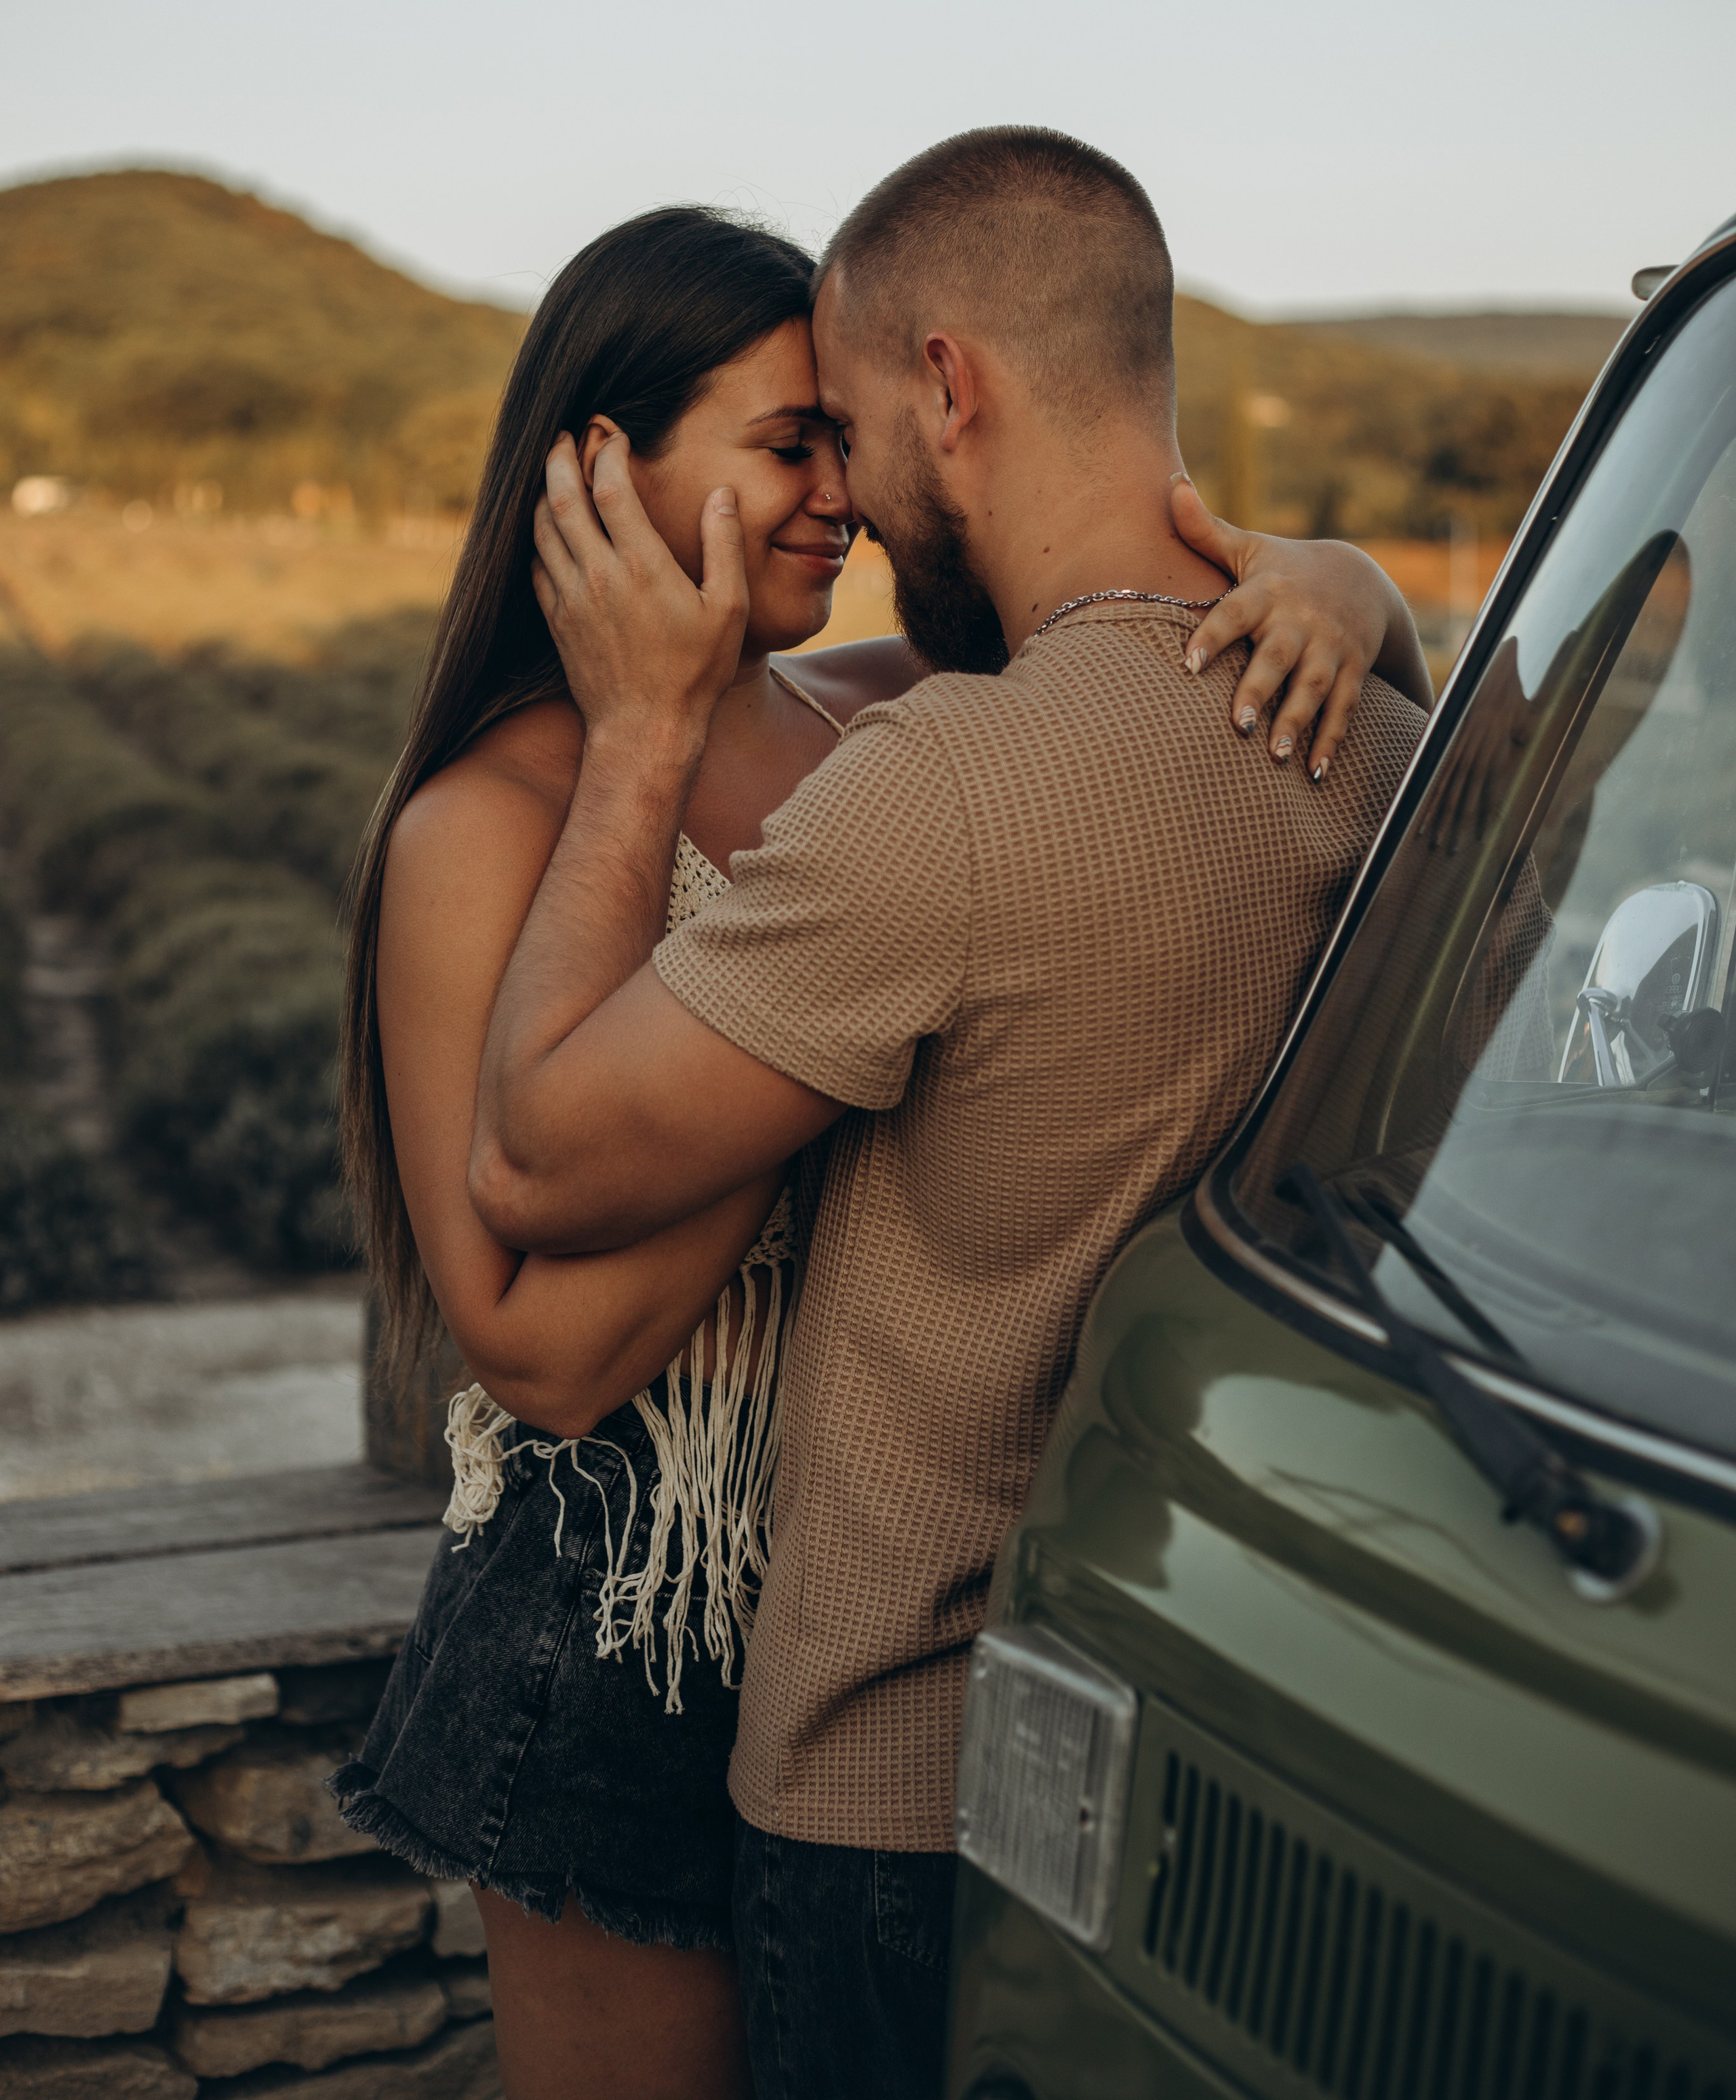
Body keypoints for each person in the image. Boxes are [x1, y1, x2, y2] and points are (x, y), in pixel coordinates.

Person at [332, 195, 1423, 2100]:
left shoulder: (892, 719)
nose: (842, 493)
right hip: (612, 1627)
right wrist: (685, 825)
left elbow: (1121, 669)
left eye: (844, 435)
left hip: (871, 1628)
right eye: (784, 446)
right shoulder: (485, 825)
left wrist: (1349, 586)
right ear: (599, 476)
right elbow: (537, 1347)